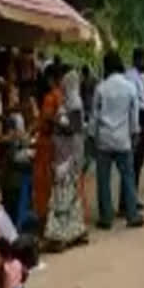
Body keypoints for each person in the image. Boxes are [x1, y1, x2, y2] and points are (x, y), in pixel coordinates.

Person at [90, 51, 144, 229]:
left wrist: (92, 136)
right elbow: (133, 115)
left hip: (104, 140)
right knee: (128, 178)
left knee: (103, 180)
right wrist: (135, 133)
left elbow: (94, 116)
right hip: (123, 139)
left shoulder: (101, 88)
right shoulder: (130, 87)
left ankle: (106, 217)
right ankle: (132, 215)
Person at [43, 69, 89, 251]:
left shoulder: (74, 103)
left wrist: (56, 120)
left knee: (63, 194)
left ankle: (59, 235)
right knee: (70, 194)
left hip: (67, 156)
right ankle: (74, 231)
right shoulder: (69, 101)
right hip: (66, 153)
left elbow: (73, 128)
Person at [33, 63, 63, 227]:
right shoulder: (63, 95)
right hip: (59, 145)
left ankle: (45, 220)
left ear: (51, 78)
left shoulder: (50, 98)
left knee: (44, 184)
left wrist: (34, 129)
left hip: (46, 144)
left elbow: (45, 122)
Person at [125, 47, 144, 211]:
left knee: (138, 162)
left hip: (143, 116)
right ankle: (129, 200)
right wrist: (136, 128)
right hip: (138, 118)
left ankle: (132, 196)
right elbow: (134, 104)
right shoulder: (130, 77)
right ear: (137, 60)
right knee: (134, 162)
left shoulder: (139, 77)